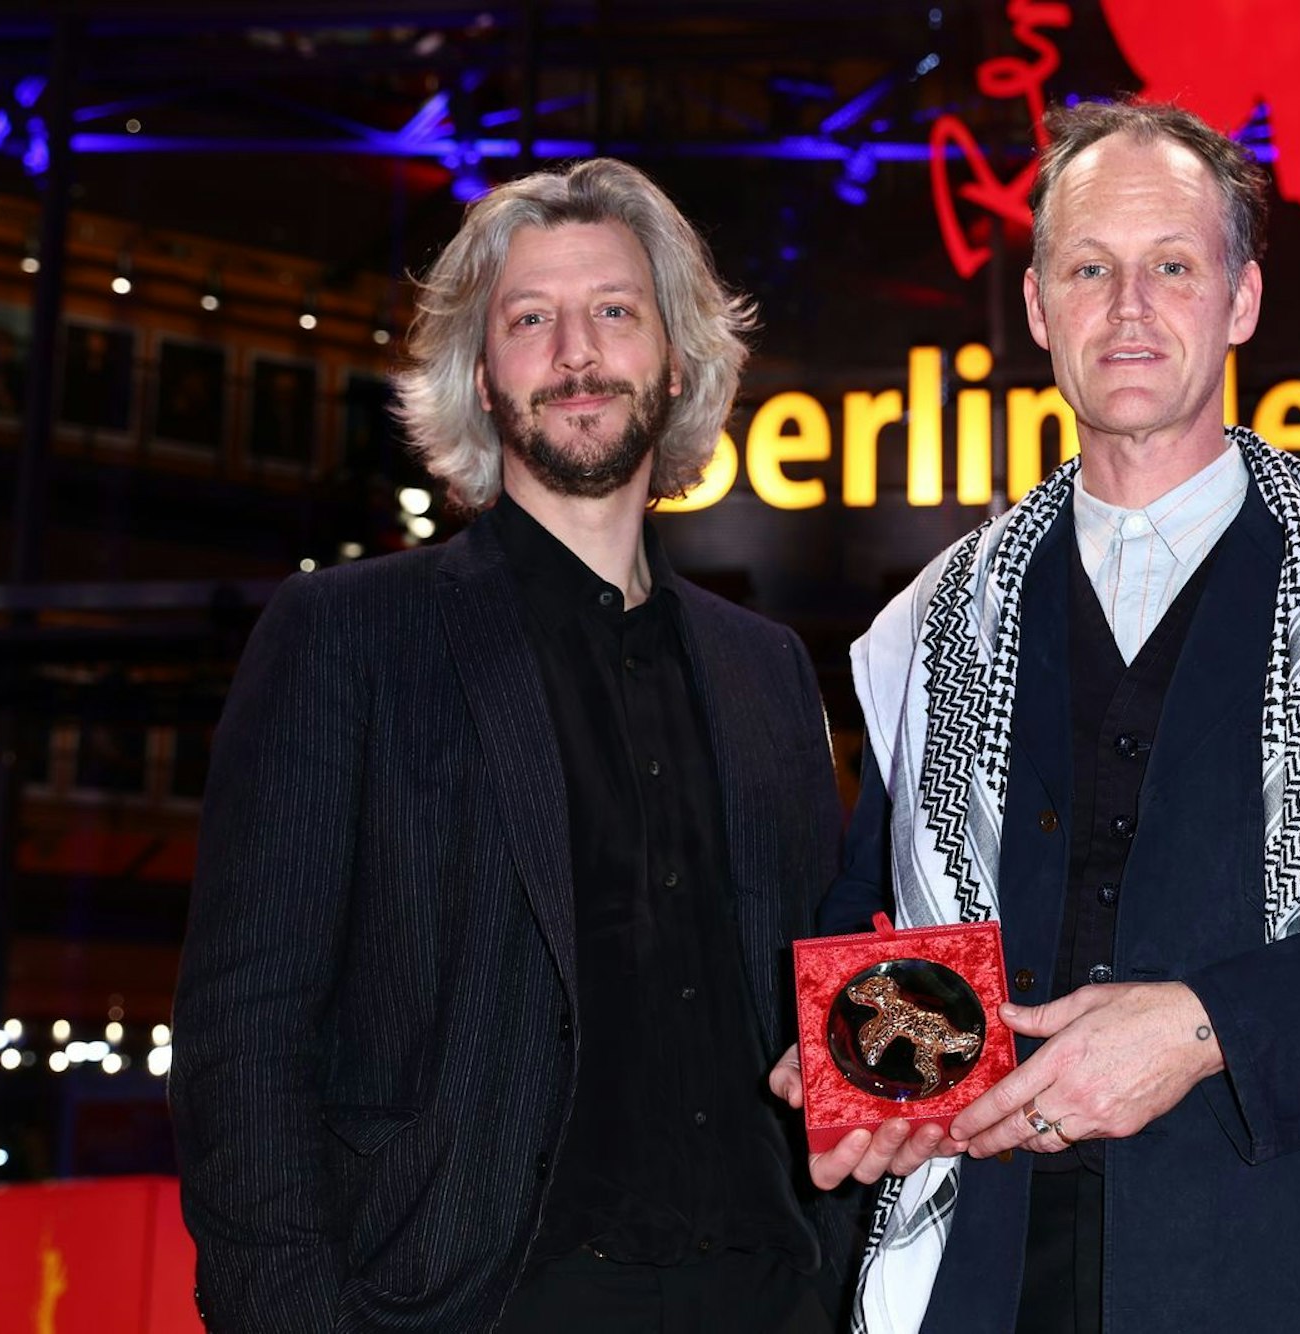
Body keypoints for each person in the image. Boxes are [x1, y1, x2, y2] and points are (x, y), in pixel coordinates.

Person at [775, 100, 1300, 1333]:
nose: (1128, 309)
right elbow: (872, 930)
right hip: (987, 1286)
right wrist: (850, 1066)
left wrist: (1210, 1027)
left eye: (1171, 266)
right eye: (1087, 269)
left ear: (1240, 299)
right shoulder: (923, 632)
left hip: (1298, 1275)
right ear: (1039, 308)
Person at [171, 158, 854, 1333]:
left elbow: (818, 1009)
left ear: (675, 357)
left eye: (613, 312)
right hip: (478, 1301)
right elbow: (245, 1035)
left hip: (766, 1296)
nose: (575, 351)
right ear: (481, 377)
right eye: (529, 319)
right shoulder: (348, 636)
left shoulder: (768, 671)